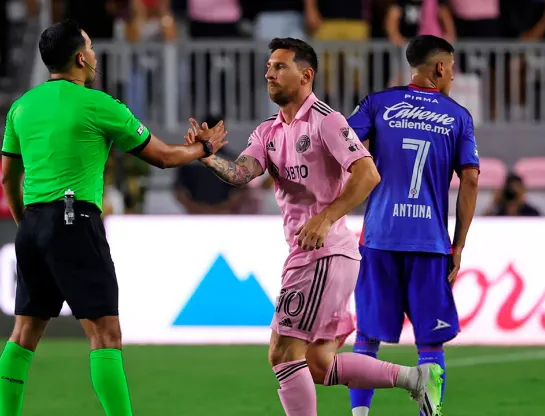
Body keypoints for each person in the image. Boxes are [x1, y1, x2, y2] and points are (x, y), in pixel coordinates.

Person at [185, 37, 444, 416]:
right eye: (269, 66)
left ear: (306, 75)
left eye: (279, 67)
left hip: (323, 253)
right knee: (318, 364)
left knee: (282, 352)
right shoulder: (267, 132)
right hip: (314, 255)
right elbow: (242, 173)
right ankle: (415, 378)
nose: (269, 73)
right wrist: (209, 157)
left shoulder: (327, 121)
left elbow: (368, 174)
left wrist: (325, 217)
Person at [0, 20, 227, 416]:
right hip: (75, 219)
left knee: (23, 334)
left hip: (33, 225)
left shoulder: (22, 107)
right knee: (105, 335)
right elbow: (164, 157)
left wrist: (27, 224)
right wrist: (202, 148)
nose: (96, 54)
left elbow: (7, 177)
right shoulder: (98, 105)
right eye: (92, 46)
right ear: (81, 58)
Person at [345, 35, 480, 416]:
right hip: (430, 242)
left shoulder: (378, 103)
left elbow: (341, 145)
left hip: (380, 237)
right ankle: (429, 415)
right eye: (451, 69)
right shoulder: (458, 116)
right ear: (439, 67)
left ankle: (359, 415)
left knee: (367, 336)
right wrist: (459, 244)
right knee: (430, 342)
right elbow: (470, 181)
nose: (452, 77)